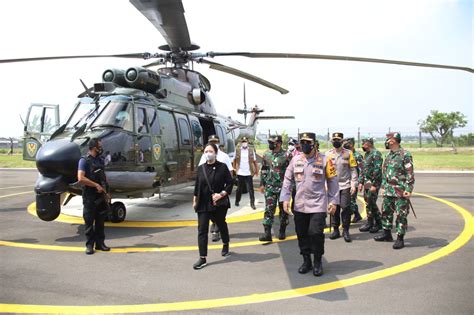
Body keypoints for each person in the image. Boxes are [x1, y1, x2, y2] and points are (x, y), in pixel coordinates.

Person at [280, 132, 339, 276]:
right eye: (302, 142)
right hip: (300, 204)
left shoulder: (326, 160)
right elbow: (287, 180)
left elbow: (333, 182)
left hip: (318, 204)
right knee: (301, 233)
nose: (304, 145)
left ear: (314, 144)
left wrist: (333, 201)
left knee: (316, 233)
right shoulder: (295, 160)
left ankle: (317, 260)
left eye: (307, 142)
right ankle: (306, 260)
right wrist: (285, 198)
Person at [192, 143, 233, 269]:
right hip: (203, 203)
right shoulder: (201, 168)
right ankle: (202, 257)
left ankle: (226, 243)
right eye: (206, 151)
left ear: (215, 153)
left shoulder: (222, 167)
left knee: (221, 223)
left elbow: (230, 183)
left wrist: (221, 194)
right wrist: (195, 200)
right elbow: (197, 185)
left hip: (218, 203)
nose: (208, 153)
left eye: (210, 151)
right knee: (202, 230)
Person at [375, 132, 415, 249]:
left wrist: (408, 188)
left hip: (400, 190)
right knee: (386, 212)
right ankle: (387, 234)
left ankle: (400, 238)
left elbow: (410, 173)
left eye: (388, 139)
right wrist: (383, 187)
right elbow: (385, 173)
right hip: (388, 190)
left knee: (401, 214)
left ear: (394, 141)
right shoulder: (389, 155)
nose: (386, 141)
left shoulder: (405, 154)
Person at [77, 138, 111, 255]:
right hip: (89, 196)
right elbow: (80, 178)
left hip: (101, 196)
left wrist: (107, 191)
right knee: (89, 222)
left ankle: (100, 244)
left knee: (100, 222)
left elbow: (104, 177)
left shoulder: (100, 160)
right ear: (93, 147)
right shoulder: (84, 161)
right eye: (99, 146)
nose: (101, 148)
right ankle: (89, 245)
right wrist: (95, 185)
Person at [199, 135, 233, 242]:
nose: (208, 153)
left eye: (215, 141)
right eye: (211, 141)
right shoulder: (204, 157)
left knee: (220, 219)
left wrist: (225, 191)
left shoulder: (224, 156)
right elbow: (200, 172)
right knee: (208, 219)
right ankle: (215, 231)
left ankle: (221, 237)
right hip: (207, 194)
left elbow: (230, 173)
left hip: (220, 192)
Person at [326, 132, 358, 242]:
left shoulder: (348, 153)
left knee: (345, 207)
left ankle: (346, 230)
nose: (336, 141)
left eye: (338, 139)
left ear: (342, 141)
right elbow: (325, 171)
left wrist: (354, 184)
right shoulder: (328, 154)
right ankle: (335, 230)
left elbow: (353, 169)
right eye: (334, 139)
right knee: (334, 208)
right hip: (333, 186)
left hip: (345, 185)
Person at [258, 135, 290, 241]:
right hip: (270, 188)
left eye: (273, 142)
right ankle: (267, 234)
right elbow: (264, 170)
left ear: (279, 143)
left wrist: (291, 187)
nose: (270, 144)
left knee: (283, 211)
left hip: (283, 189)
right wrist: (262, 184)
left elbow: (291, 172)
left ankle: (282, 230)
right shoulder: (266, 154)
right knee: (268, 210)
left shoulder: (287, 155)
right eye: (270, 142)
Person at [358, 137, 384, 234]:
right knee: (368, 203)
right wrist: (361, 182)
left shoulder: (376, 154)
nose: (362, 146)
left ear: (368, 144)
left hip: (373, 183)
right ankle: (369, 222)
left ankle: (379, 222)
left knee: (371, 202)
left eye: (364, 144)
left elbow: (377, 170)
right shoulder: (367, 155)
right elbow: (363, 170)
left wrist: (375, 185)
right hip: (366, 183)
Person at [233, 137, 259, 209]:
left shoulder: (251, 150)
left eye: (245, 141)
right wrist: (234, 169)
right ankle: (237, 201)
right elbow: (234, 160)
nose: (244, 143)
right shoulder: (237, 150)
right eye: (243, 141)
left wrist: (256, 170)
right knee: (239, 188)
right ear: (241, 142)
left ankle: (252, 203)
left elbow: (255, 161)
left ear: (247, 142)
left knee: (251, 189)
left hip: (248, 172)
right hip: (240, 172)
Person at [343, 137, 364, 223]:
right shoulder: (346, 154)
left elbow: (362, 170)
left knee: (351, 200)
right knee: (350, 199)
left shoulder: (357, 156)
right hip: (346, 180)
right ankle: (356, 214)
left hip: (354, 181)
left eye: (346, 143)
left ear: (351, 145)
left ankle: (355, 215)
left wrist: (360, 182)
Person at [287, 138, 301, 214]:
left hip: (300, 178)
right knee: (293, 195)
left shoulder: (301, 153)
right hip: (292, 178)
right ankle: (293, 209)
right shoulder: (289, 154)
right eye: (290, 144)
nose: (291, 146)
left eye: (292, 144)